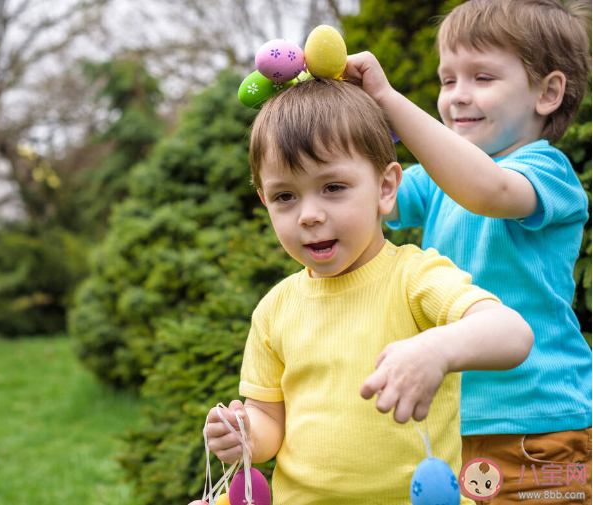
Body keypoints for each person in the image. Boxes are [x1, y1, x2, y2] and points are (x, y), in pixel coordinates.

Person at [204, 77, 533, 505]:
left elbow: (514, 334)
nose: (309, 215)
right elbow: (270, 420)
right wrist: (246, 434)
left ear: (385, 188)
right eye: (285, 196)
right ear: (265, 201)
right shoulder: (274, 309)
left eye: (333, 187)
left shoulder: (414, 277)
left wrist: (438, 350)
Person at [341, 0, 592, 503]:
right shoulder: (436, 182)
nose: (457, 96)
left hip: (537, 424)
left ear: (548, 92)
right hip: (455, 418)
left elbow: (489, 192)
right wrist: (335, 113)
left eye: (481, 77)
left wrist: (390, 100)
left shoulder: (546, 171)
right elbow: (369, 196)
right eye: (447, 79)